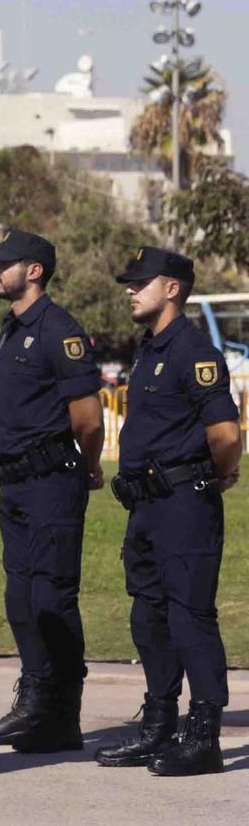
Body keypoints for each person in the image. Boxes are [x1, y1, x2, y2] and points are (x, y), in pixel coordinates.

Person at [94, 247, 240, 776]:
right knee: (148, 613)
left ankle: (204, 734)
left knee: (189, 615)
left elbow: (225, 434)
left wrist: (220, 474)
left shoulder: (193, 350)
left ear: (172, 288)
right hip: (147, 505)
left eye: (141, 282)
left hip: (185, 503)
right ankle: (158, 723)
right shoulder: (150, 349)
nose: (131, 290)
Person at [0, 230, 103, 754]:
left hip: (52, 481)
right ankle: (35, 701)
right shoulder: (12, 329)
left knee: (51, 597)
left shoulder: (58, 329)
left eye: (4, 264)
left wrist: (87, 469)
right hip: (16, 484)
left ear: (35, 271)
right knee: (20, 597)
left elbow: (88, 419)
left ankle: (59, 709)